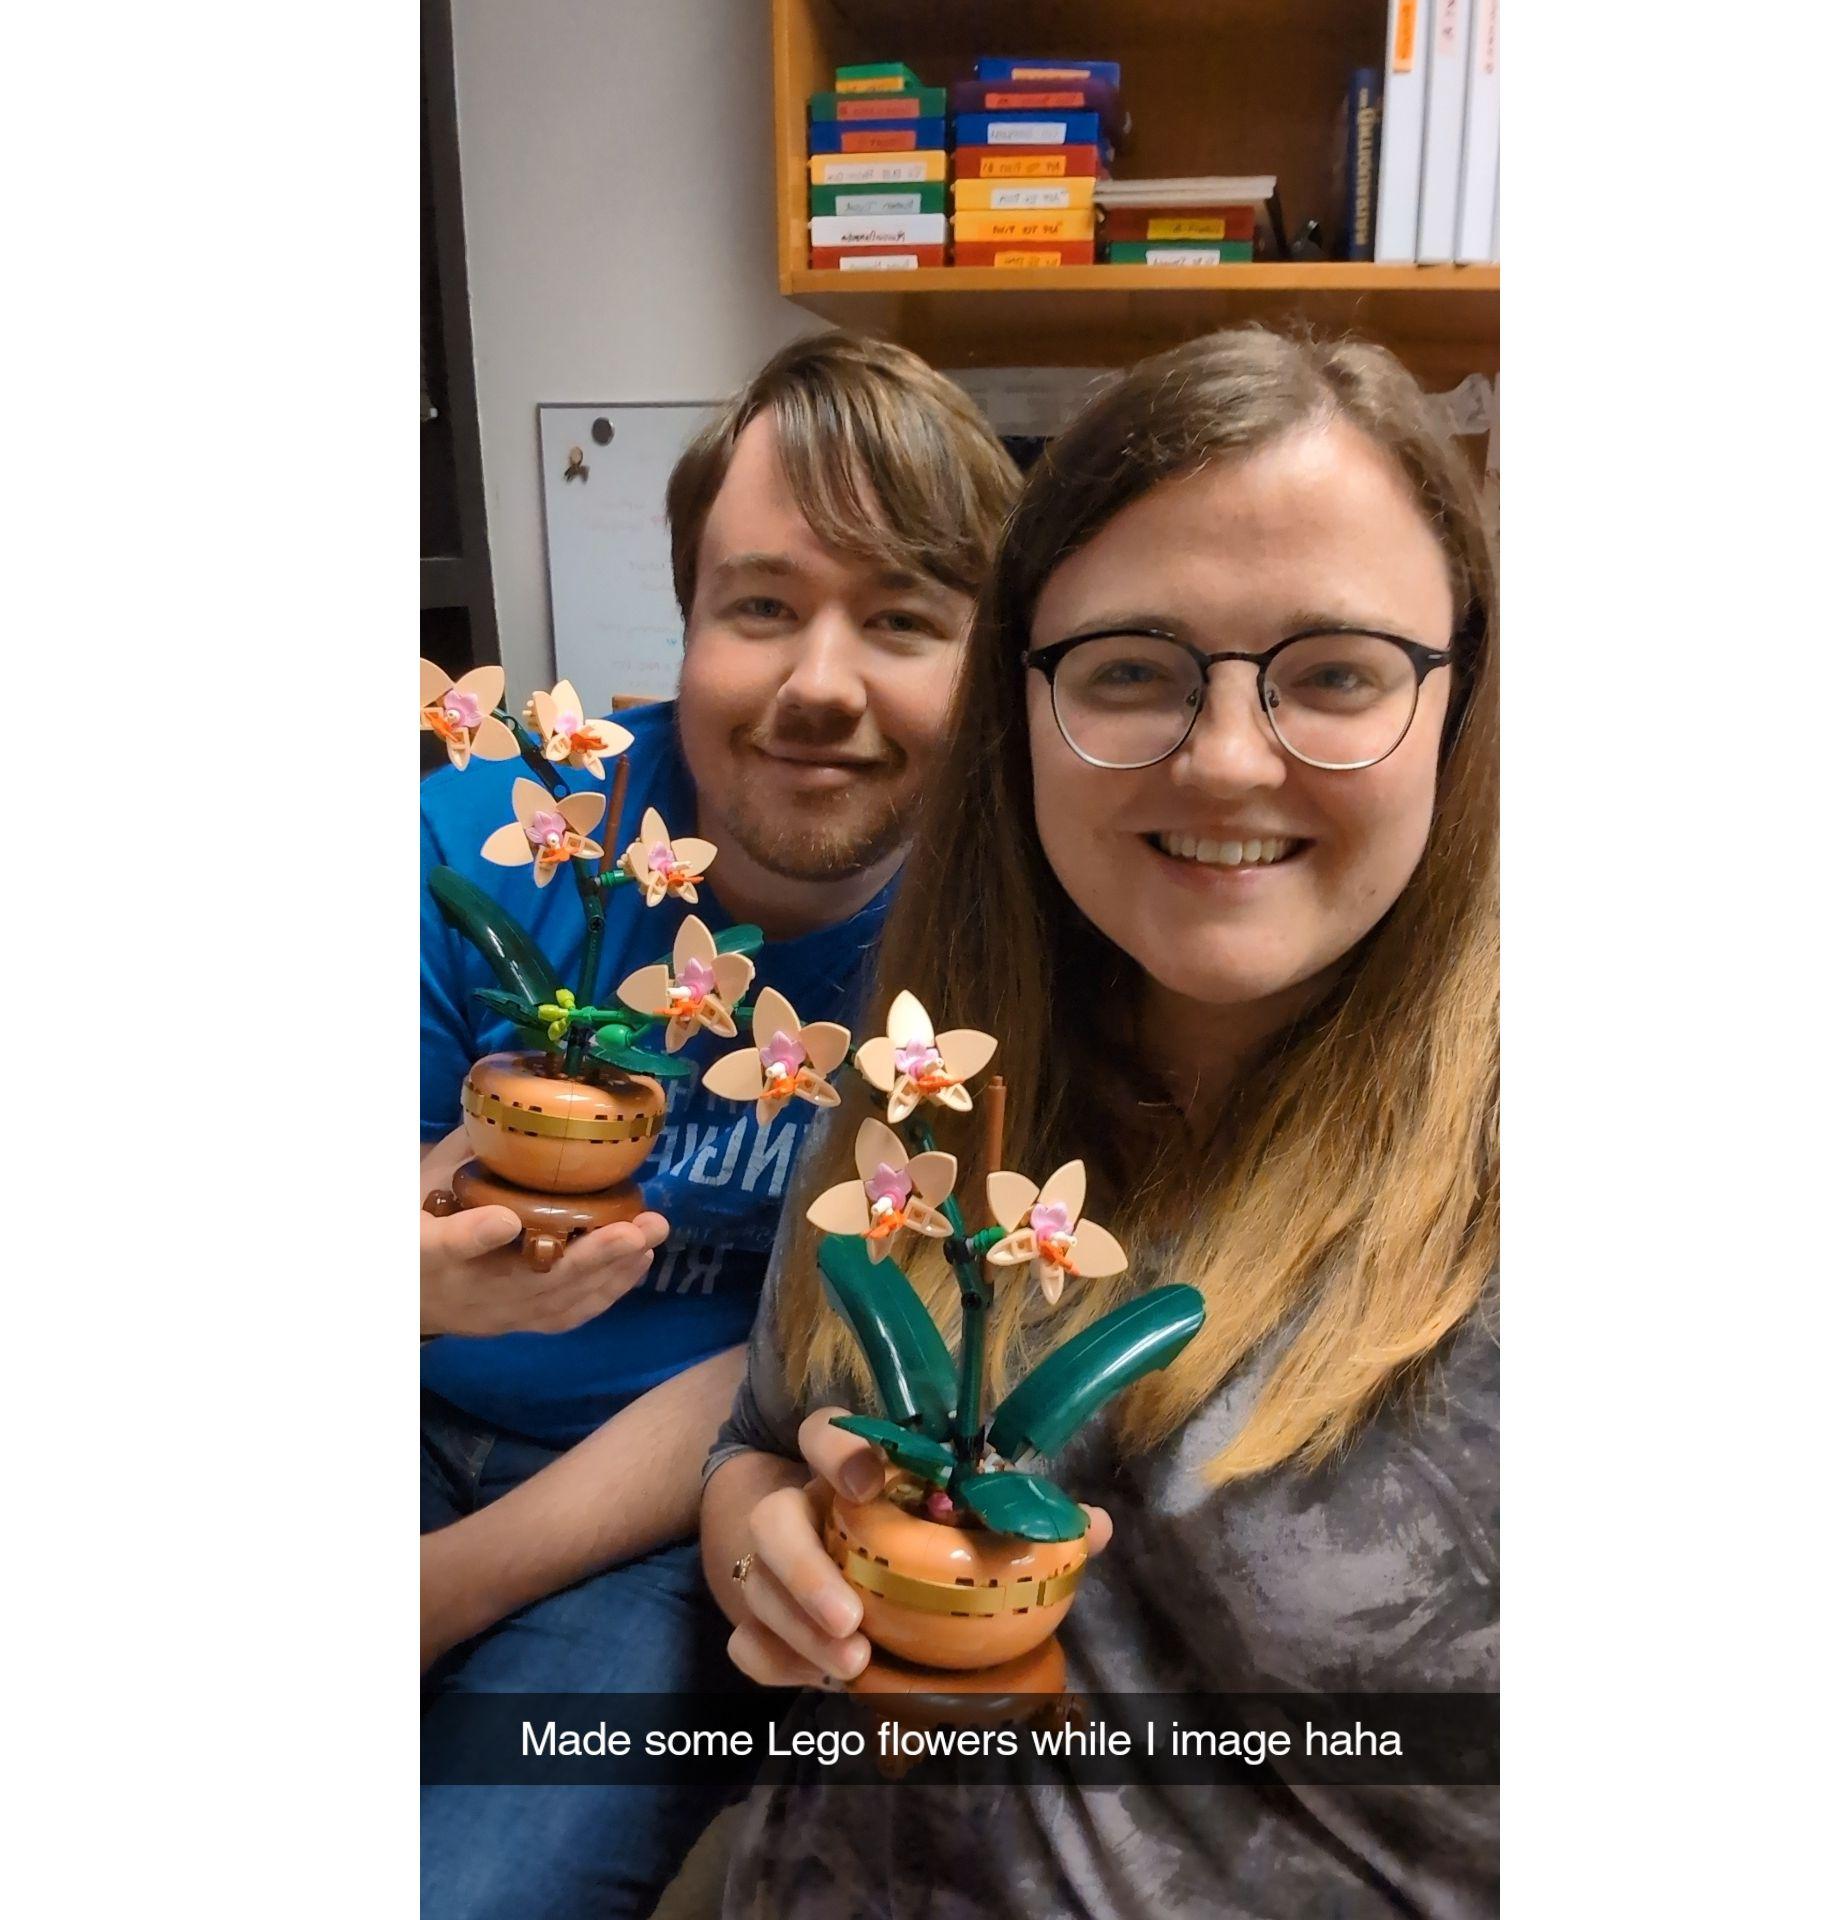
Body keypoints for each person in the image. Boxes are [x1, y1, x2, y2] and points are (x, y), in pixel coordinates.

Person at [700, 325, 1500, 1917]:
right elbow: (761, 1437)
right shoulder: (926, 1073)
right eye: (1130, 669)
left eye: (1336, 672)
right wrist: (767, 1551)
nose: (1222, 760)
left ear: (1464, 703)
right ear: (1019, 706)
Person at [418, 329, 1020, 1920]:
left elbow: (796, 1376)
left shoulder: (991, 977)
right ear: (683, 622)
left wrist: (423, 1600)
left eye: (902, 619)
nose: (821, 686)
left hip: (653, 1532)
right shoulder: (487, 840)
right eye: (761, 606)